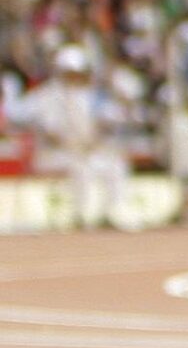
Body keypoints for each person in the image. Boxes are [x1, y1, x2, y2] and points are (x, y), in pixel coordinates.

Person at [28, 47, 127, 232]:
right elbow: (51, 133)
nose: (76, 77)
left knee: (115, 164)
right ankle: (80, 216)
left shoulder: (87, 95)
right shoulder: (47, 96)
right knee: (81, 168)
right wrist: (75, 146)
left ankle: (111, 212)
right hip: (54, 154)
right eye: (71, 73)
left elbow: (100, 125)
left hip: (84, 152)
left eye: (78, 73)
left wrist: (95, 142)